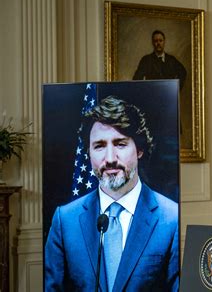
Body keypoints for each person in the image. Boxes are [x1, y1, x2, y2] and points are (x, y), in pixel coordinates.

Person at [44, 96, 179, 292]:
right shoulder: (65, 221)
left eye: (120, 144)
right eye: (99, 146)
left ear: (139, 148)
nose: (109, 159)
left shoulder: (172, 218)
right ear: (89, 152)